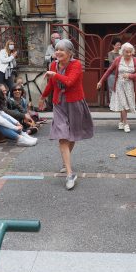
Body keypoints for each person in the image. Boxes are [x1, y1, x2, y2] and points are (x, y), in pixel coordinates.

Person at [38, 39, 94, 190]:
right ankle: (70, 174)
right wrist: (43, 97)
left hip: (74, 103)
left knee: (73, 135)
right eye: (56, 50)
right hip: (59, 104)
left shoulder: (76, 65)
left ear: (70, 53)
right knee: (63, 135)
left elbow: (69, 82)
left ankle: (65, 162)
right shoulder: (53, 65)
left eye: (62, 50)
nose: (58, 53)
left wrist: (54, 75)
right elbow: (51, 84)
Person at [97, 42, 136, 132]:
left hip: (129, 85)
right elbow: (109, 70)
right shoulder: (118, 59)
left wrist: (129, 76)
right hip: (119, 85)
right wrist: (101, 81)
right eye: (127, 52)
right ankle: (126, 123)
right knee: (124, 104)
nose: (129, 54)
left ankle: (121, 122)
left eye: (130, 52)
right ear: (122, 52)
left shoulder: (135, 60)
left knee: (125, 104)